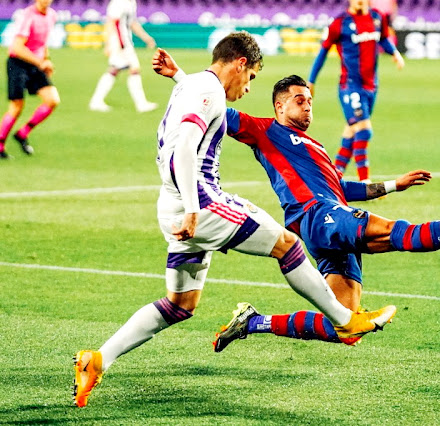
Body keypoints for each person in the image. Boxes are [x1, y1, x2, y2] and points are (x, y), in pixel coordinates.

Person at [72, 33, 396, 408]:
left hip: (173, 206)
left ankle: (97, 360)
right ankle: (345, 319)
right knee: (287, 245)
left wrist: (178, 75)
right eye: (253, 76)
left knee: (180, 305)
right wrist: (195, 208)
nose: (249, 85)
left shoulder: (195, 85)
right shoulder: (207, 90)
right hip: (201, 202)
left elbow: (202, 109)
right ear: (240, 63)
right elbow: (184, 147)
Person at [153, 52, 440, 352]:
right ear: (279, 105)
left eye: (310, 101)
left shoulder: (316, 147)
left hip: (329, 216)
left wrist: (393, 184)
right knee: (394, 233)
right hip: (316, 217)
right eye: (299, 100)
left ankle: (254, 322)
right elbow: (210, 104)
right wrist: (179, 76)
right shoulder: (263, 130)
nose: (308, 107)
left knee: (346, 324)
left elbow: (341, 188)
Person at [307, 0, 405, 183]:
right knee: (364, 131)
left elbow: (383, 38)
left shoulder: (377, 17)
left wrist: (395, 53)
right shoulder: (340, 23)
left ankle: (333, 179)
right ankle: (364, 180)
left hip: (371, 86)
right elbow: (323, 52)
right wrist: (311, 80)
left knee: (352, 132)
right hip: (350, 86)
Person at [0, 0, 59, 159]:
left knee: (52, 100)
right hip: (17, 62)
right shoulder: (27, 15)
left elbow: (43, 42)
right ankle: (0, 145)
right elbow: (17, 47)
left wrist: (46, 59)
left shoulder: (52, 15)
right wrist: (41, 62)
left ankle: (22, 133)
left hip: (35, 63)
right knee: (17, 106)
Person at [88, 0, 157, 113]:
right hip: (119, 42)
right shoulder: (118, 3)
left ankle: (96, 101)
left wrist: (146, 38)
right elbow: (111, 22)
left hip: (124, 41)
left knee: (114, 69)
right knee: (134, 69)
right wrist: (109, 44)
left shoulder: (131, 3)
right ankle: (141, 104)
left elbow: (132, 23)